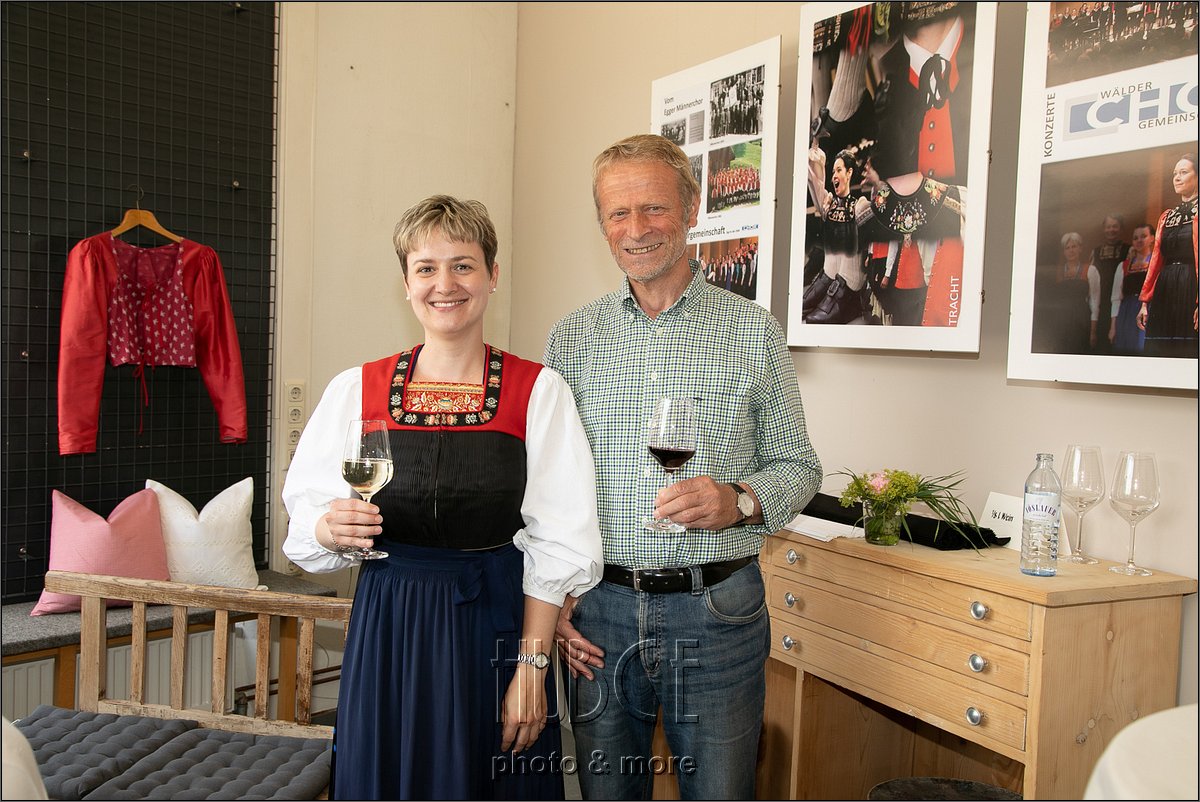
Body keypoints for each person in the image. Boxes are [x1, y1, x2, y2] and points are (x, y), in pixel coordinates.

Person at [282, 195, 604, 800]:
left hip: (494, 627)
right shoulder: (358, 389)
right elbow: (308, 517)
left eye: (463, 265)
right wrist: (329, 528)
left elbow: (559, 542)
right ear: (406, 283)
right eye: (426, 268)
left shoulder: (538, 392)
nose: (445, 284)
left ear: (492, 275)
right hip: (389, 628)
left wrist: (532, 669)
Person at [544, 134, 822, 800]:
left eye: (654, 208)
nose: (636, 229)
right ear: (602, 224)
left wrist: (738, 500)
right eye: (618, 213)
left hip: (717, 612)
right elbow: (549, 488)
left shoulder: (754, 331)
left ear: (692, 209)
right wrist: (552, 596)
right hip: (600, 613)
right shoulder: (571, 339)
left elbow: (800, 466)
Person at [1138, 154, 1199, 358]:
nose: (1177, 178)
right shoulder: (1166, 217)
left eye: (1184, 172)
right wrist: (1145, 302)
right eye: (1174, 174)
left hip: (1191, 284)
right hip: (1166, 285)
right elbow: (1156, 260)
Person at [1110, 222, 1154, 355]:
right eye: (1135, 238)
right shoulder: (1123, 266)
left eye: (1143, 236)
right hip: (1126, 312)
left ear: (1152, 238)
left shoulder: (1155, 263)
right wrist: (1113, 327)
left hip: (1148, 311)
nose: (1139, 240)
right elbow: (1116, 298)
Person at [1090, 213, 1131, 353]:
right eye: (1108, 227)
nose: (1111, 230)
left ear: (1121, 229)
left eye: (1115, 226)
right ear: (1103, 229)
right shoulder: (1095, 252)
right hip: (1099, 303)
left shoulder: (1129, 250)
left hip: (1120, 303)